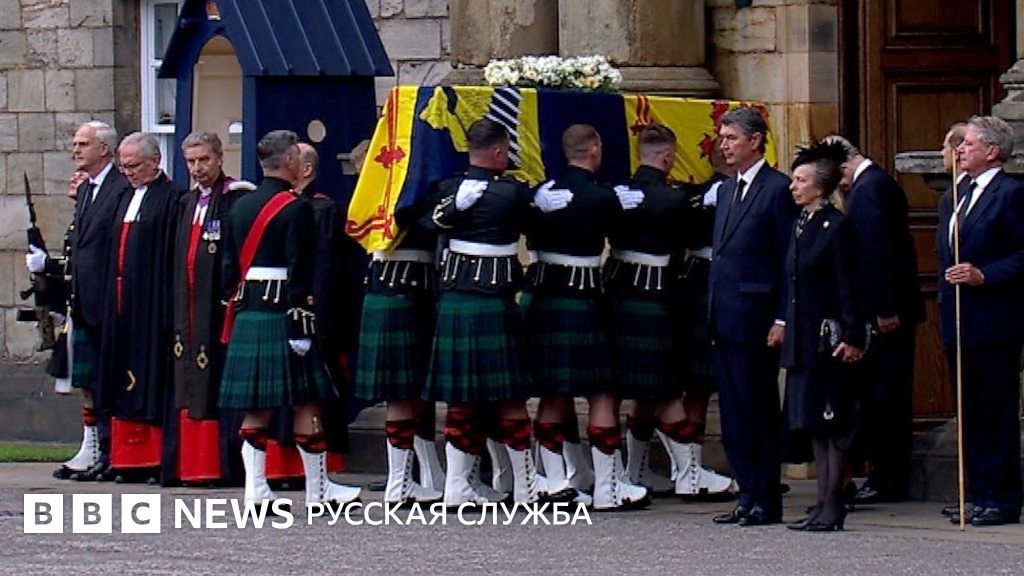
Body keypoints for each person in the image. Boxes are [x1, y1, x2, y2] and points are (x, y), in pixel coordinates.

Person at [425, 118, 569, 506]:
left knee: (461, 399)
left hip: (455, 301)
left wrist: (452, 207)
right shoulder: (510, 193)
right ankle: (524, 486)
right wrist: (540, 204)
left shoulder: (449, 189)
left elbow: (426, 222)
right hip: (493, 302)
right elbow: (540, 227)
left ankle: (457, 485)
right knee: (511, 398)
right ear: (498, 151)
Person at [219, 130, 361, 507]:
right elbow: (300, 270)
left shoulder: (239, 206)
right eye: (297, 157)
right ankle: (318, 491)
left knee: (257, 406)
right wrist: (302, 322)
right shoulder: (295, 208)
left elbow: (228, 269)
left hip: (250, 311)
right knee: (309, 401)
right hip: (284, 312)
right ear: (288, 162)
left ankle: (256, 490)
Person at [526, 123, 648, 510]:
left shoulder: (542, 193)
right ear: (594, 148)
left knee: (552, 392)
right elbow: (625, 236)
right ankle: (607, 489)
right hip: (584, 297)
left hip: (546, 298)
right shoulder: (601, 196)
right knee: (602, 390)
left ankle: (556, 483)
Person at [25, 121, 130, 481]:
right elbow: (80, 249)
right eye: (75, 144)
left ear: (104, 149)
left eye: (83, 144)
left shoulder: (120, 189)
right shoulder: (86, 190)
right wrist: (50, 269)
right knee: (87, 382)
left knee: (106, 381)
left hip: (107, 302)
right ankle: (92, 448)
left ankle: (110, 451)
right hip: (82, 300)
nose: (75, 150)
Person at [708, 107, 797, 526]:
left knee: (758, 409)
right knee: (733, 414)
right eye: (722, 137)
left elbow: (787, 260)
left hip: (757, 318)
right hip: (724, 316)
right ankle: (745, 492)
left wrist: (782, 317)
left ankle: (766, 495)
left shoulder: (778, 189)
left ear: (755, 141)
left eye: (731, 138)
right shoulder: (727, 189)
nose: (723, 145)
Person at [827, 135, 924, 505]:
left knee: (886, 396)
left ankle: (887, 478)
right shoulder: (874, 183)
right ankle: (884, 474)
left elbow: (876, 253)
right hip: (891, 307)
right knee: (882, 393)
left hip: (888, 313)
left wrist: (883, 309)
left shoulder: (869, 189)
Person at [937, 115, 1024, 527]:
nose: (960, 150)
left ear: (992, 151)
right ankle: (973, 491)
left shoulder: (1011, 194)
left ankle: (1001, 496)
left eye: (968, 144)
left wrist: (984, 274)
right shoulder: (956, 194)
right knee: (969, 410)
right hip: (959, 318)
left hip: (994, 319)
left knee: (995, 410)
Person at [348, 140, 445, 504]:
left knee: (412, 393)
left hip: (402, 292)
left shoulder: (385, 196)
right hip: (402, 291)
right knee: (403, 394)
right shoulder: (392, 199)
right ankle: (400, 483)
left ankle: (427, 475)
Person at [780, 141, 867, 532]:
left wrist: (853, 336)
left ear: (820, 186)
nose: (793, 187)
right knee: (812, 422)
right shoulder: (800, 223)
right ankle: (820, 503)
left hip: (830, 339)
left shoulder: (838, 226)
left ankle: (834, 503)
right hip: (803, 339)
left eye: (800, 181)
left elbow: (849, 285)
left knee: (833, 423)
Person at [166, 131, 251, 486]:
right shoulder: (186, 202)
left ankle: (219, 466)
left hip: (218, 309)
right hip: (186, 309)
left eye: (204, 160)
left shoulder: (235, 198)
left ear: (219, 158)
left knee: (214, 378)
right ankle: (189, 466)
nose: (197, 168)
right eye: (191, 162)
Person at [99, 132, 183, 483]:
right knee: (119, 376)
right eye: (124, 167)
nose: (129, 173)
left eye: (134, 166)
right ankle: (123, 459)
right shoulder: (123, 197)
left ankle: (153, 459)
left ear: (155, 161)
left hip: (151, 304)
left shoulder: (173, 199)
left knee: (150, 379)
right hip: (121, 302)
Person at [662, 143, 737, 499]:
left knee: (698, 388)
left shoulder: (688, 196)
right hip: (715, 287)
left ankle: (688, 469)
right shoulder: (725, 194)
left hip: (691, 287)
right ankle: (692, 471)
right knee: (707, 387)